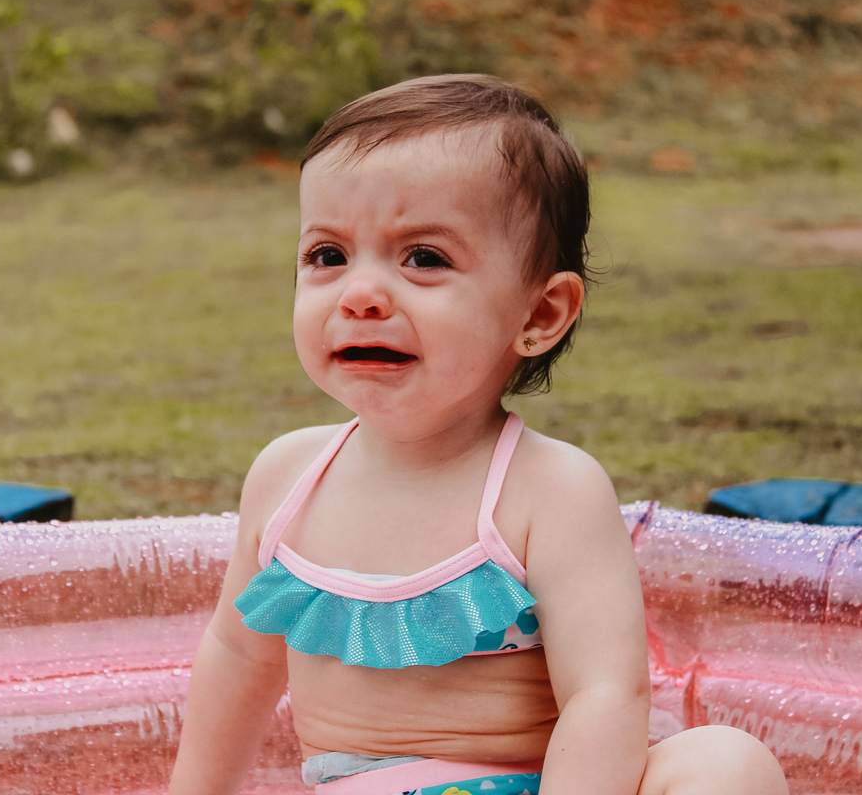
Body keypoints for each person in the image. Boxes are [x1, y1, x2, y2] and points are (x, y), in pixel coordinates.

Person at [168, 74, 788, 795]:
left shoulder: (548, 491)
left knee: (726, 764)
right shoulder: (288, 477)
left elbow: (604, 695)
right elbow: (238, 658)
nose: (360, 295)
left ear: (540, 315)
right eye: (327, 256)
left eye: (424, 258)